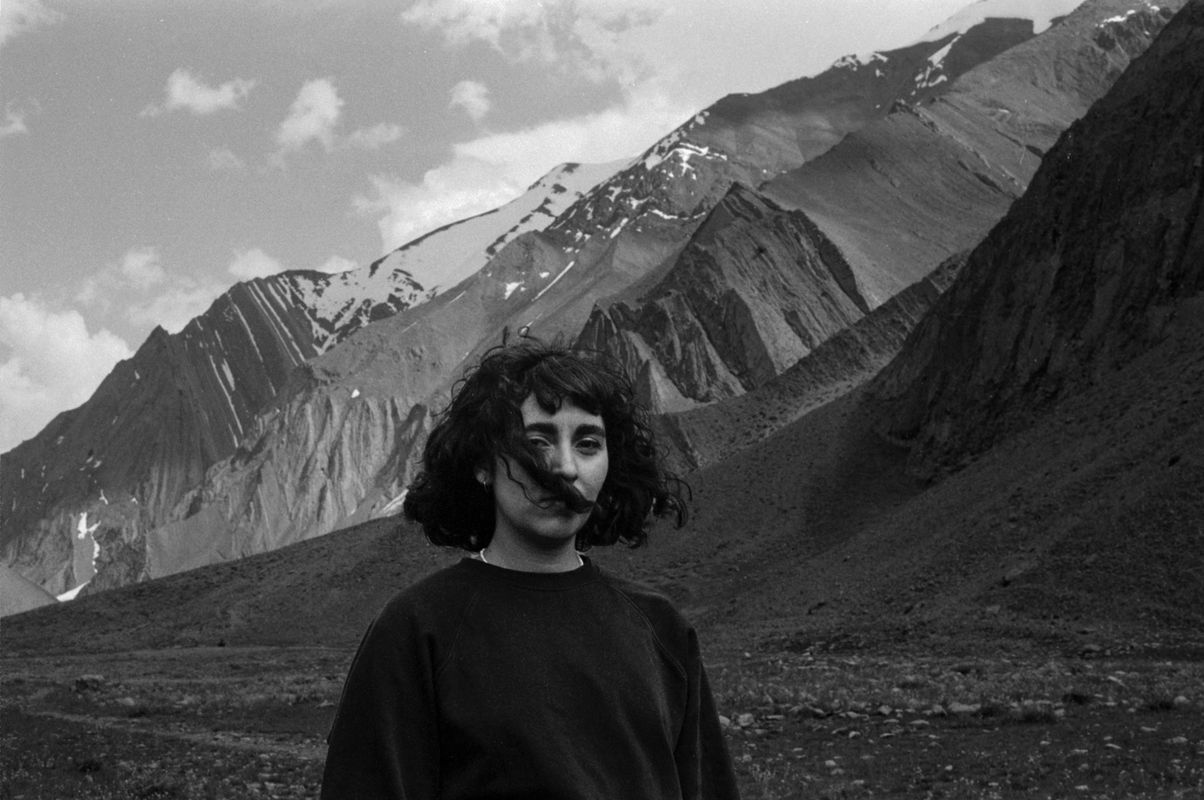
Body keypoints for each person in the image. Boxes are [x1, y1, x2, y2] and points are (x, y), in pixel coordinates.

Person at [320, 339, 740, 799]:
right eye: (537, 442)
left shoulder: (660, 628)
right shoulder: (417, 629)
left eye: (588, 444)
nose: (565, 467)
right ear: (482, 464)